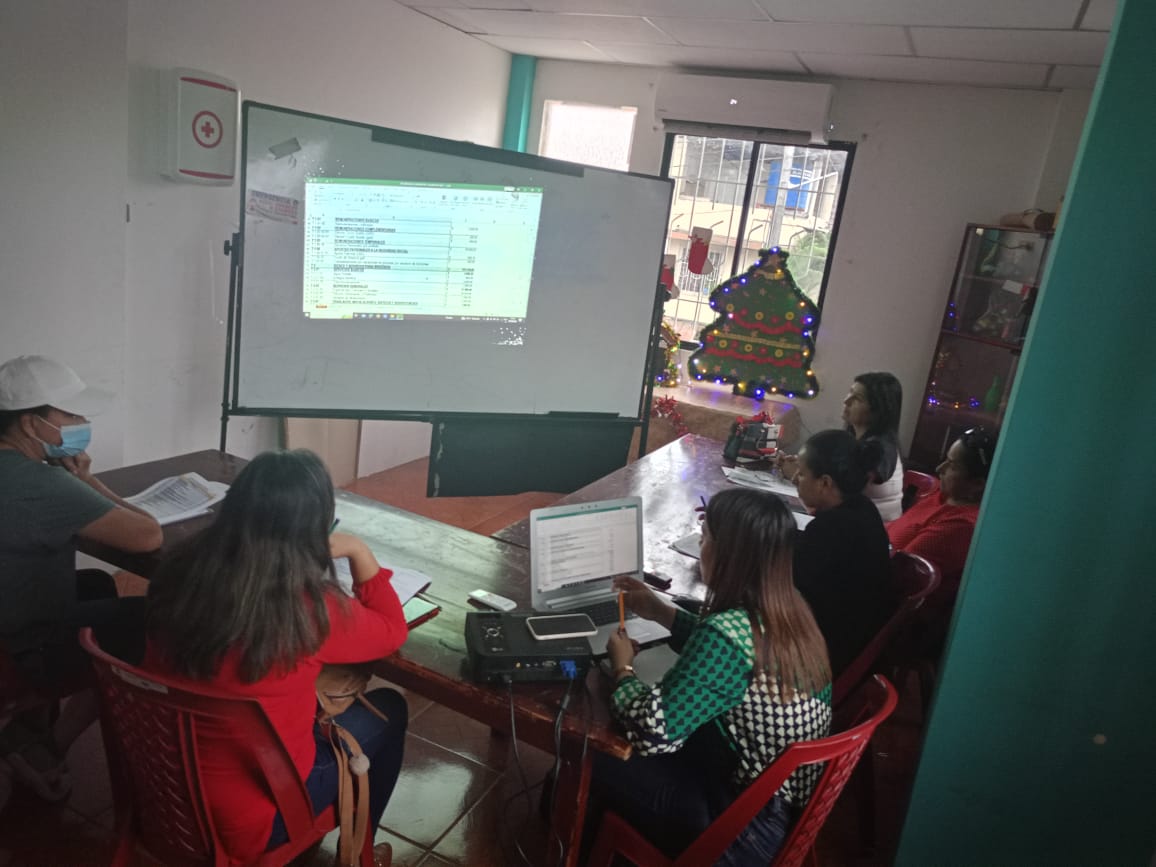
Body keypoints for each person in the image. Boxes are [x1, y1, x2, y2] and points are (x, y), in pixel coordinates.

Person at [144, 449, 407, 865]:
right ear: (314, 529)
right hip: (257, 820)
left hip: (159, 790)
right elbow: (393, 631)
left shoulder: (179, 571)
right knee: (390, 708)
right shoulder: (310, 609)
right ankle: (362, 855)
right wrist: (359, 551)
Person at [592, 488, 832, 864]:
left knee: (594, 752)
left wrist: (623, 669)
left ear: (726, 553)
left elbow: (653, 732)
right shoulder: (792, 610)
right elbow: (735, 657)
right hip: (780, 810)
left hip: (741, 829)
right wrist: (661, 611)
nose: (700, 546)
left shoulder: (726, 636)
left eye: (704, 538)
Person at [0, 355, 162, 802]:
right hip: (20, 647)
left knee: (95, 584)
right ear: (30, 424)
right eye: (70, 415)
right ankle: (46, 746)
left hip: (9, 618)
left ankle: (32, 723)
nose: (82, 423)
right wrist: (88, 480)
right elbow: (148, 535)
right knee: (147, 619)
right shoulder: (40, 483)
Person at [790, 429, 894, 675]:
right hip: (853, 646)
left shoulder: (832, 528)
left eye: (801, 473)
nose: (794, 478)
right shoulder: (863, 508)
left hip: (822, 657)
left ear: (825, 483)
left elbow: (786, 588)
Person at [888, 427, 997, 593]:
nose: (939, 469)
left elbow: (897, 573)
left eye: (952, 466)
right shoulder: (945, 495)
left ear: (977, 484)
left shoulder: (961, 527)